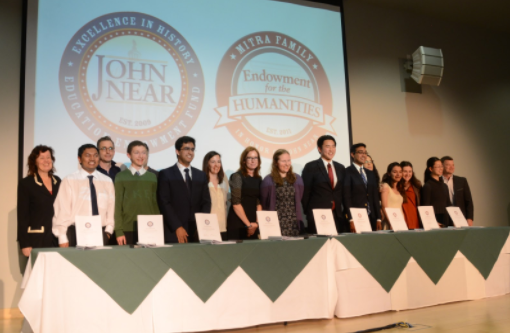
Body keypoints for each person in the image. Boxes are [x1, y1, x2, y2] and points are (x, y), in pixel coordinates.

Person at [53, 144, 115, 247]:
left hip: (100, 232)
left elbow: (111, 207)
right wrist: (62, 237)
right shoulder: (69, 180)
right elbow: (62, 210)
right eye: (87, 155)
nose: (92, 158)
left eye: (95, 155)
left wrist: (108, 231)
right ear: (79, 159)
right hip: (75, 232)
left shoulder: (107, 181)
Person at [157, 136, 211, 243]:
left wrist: (202, 226)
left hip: (197, 231)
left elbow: (206, 202)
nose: (190, 152)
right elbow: (164, 203)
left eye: (192, 149)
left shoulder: (200, 175)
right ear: (177, 151)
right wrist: (177, 226)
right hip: (175, 230)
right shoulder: (166, 174)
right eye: (186, 149)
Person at [17, 146, 61, 257]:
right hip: (36, 240)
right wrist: (25, 244)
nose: (46, 161)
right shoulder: (26, 184)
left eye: (48, 157)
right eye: (42, 158)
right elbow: (22, 216)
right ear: (34, 162)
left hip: (57, 239)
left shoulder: (58, 181)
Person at [114, 141, 159, 245]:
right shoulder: (121, 176)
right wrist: (119, 230)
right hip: (128, 228)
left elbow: (154, 204)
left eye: (143, 152)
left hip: (150, 228)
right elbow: (118, 205)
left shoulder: (152, 177)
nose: (140, 156)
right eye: (136, 152)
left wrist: (158, 226)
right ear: (128, 155)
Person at [302, 135, 346, 233]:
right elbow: (306, 193)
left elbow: (342, 192)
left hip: (337, 215)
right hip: (318, 216)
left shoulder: (341, 168)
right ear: (319, 149)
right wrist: (309, 213)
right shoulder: (311, 166)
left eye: (333, 146)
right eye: (327, 146)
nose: (331, 150)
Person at [260, 149, 305, 236]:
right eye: (283, 161)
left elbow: (300, 198)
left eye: (289, 160)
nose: (287, 164)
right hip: (276, 222)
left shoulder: (297, 179)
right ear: (276, 162)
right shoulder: (268, 180)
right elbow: (264, 203)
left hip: (294, 223)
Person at [343, 143, 382, 232]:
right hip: (357, 217)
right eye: (360, 152)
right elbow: (346, 197)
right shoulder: (347, 172)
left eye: (365, 152)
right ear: (352, 154)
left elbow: (375, 197)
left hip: (372, 217)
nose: (364, 155)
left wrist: (378, 218)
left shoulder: (370, 174)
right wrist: (351, 218)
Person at [226, 147, 262, 240]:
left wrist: (256, 224)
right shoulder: (237, 176)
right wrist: (248, 225)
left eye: (256, 158)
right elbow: (236, 204)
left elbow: (259, 203)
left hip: (254, 223)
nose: (253, 161)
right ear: (244, 161)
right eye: (250, 158)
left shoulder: (259, 179)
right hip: (238, 223)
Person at [202, 151, 230, 241]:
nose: (216, 165)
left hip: (223, 227)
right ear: (207, 163)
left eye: (218, 161)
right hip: (207, 226)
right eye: (213, 162)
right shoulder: (202, 180)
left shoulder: (224, 179)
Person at [441, 156, 474, 226]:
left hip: (460, 217)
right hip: (444, 218)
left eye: (453, 165)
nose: (452, 167)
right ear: (442, 166)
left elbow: (468, 201)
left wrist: (469, 218)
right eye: (448, 165)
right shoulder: (437, 182)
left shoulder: (462, 181)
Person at [421, 157, 451, 227]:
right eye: (438, 167)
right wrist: (433, 221)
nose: (441, 168)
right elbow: (426, 207)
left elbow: (448, 204)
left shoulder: (444, 186)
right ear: (431, 169)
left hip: (445, 219)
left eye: (441, 166)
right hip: (435, 221)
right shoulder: (428, 186)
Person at [380, 162, 405, 229]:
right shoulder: (386, 186)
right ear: (389, 173)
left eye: (400, 172)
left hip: (400, 222)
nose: (398, 174)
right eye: (395, 172)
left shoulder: (399, 188)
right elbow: (384, 206)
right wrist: (391, 222)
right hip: (390, 223)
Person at [400, 161, 422, 229]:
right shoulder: (396, 185)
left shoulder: (417, 185)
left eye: (410, 171)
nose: (408, 174)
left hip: (414, 219)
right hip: (400, 218)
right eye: (405, 171)